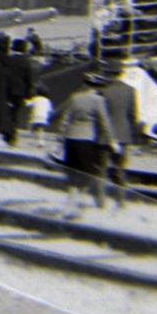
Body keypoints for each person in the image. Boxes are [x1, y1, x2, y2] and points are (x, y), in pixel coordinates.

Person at [50, 71, 120, 213]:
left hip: (71, 138)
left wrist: (60, 138)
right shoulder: (98, 100)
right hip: (87, 140)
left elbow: (64, 119)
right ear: (97, 86)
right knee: (88, 172)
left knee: (72, 171)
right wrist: (112, 140)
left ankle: (71, 201)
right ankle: (86, 203)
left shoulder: (74, 98)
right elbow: (104, 123)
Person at [98, 61, 139, 207]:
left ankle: (101, 202)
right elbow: (133, 115)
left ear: (109, 74)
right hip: (123, 135)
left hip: (105, 136)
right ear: (122, 73)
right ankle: (121, 201)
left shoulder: (104, 91)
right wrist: (131, 135)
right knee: (120, 169)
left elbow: (100, 116)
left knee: (101, 170)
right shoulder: (131, 90)